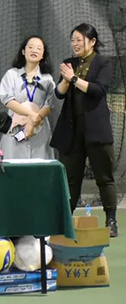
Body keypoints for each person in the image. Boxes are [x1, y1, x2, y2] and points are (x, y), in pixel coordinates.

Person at [50, 23, 118, 237]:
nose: (75, 44)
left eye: (79, 40)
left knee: (104, 178)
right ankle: (65, 221)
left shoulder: (103, 63)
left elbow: (98, 90)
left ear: (92, 41)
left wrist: (73, 79)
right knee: (70, 180)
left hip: (97, 132)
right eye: (73, 40)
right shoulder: (69, 63)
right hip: (71, 133)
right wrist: (65, 80)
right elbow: (59, 94)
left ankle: (111, 220)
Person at [0, 36, 56, 159]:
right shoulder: (11, 75)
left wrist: (34, 120)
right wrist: (31, 115)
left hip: (39, 129)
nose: (34, 50)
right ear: (23, 51)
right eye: (30, 47)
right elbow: (8, 100)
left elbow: (49, 104)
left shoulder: (47, 79)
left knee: (39, 165)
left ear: (43, 55)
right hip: (15, 127)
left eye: (39, 48)